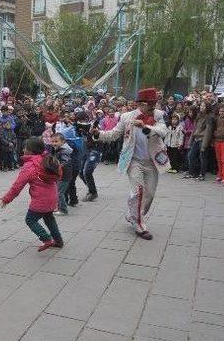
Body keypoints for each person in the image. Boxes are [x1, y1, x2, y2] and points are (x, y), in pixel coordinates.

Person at [92, 88, 169, 240]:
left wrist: (145, 127)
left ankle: (133, 214)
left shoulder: (159, 115)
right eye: (150, 103)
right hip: (133, 161)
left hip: (152, 161)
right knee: (139, 191)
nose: (153, 106)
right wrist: (98, 134)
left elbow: (162, 131)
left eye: (154, 103)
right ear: (140, 103)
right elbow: (114, 134)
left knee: (150, 194)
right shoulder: (127, 117)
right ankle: (139, 225)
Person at [0, 137, 63, 252]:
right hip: (53, 197)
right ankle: (58, 240)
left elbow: (17, 186)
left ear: (30, 151)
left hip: (40, 200)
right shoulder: (48, 159)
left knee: (30, 220)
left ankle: (46, 238)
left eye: (25, 148)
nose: (23, 149)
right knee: (49, 218)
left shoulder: (30, 166)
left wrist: (6, 199)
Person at [50, 133, 73, 215]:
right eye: (52, 141)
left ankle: (63, 210)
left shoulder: (64, 150)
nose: (54, 143)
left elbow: (65, 162)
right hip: (60, 175)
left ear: (63, 142)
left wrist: (56, 166)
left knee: (59, 192)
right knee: (58, 191)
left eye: (56, 141)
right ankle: (59, 206)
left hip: (64, 175)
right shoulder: (57, 149)